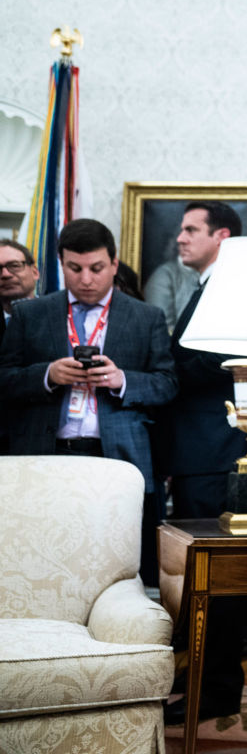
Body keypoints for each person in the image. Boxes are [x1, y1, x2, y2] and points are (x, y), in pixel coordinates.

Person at [0, 220, 177, 583]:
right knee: (43, 560)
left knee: (119, 562)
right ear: (59, 264)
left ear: (114, 263)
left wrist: (122, 380)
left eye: (96, 269)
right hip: (45, 455)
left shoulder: (147, 317)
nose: (85, 279)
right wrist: (47, 375)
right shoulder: (29, 314)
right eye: (74, 268)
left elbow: (168, 384)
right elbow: (3, 380)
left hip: (118, 458)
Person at [161, 200, 247, 725]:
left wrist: (157, 357)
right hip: (197, 451)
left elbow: (212, 362)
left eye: (191, 229)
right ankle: (203, 677)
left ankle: (216, 689)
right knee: (199, 575)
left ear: (222, 235)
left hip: (214, 452)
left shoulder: (230, 288)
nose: (180, 238)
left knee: (216, 577)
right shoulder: (207, 287)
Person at [1, 239, 41, 453]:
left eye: (14, 265)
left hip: (41, 439)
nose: (6, 274)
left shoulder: (61, 318)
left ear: (35, 271)